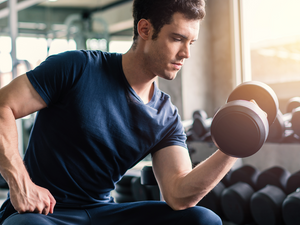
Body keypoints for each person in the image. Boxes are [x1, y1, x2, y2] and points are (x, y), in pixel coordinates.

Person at [0, 0, 237, 224]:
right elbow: (3, 105)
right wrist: (20, 183)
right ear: (144, 29)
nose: (186, 53)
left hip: (102, 212)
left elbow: (178, 194)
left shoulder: (165, 116)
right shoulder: (77, 68)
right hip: (44, 213)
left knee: (203, 220)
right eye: (177, 38)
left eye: (191, 42)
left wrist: (232, 148)